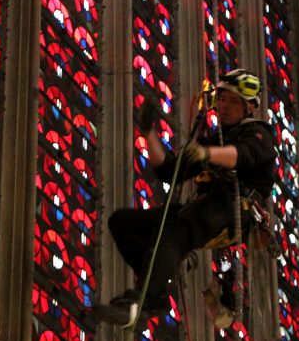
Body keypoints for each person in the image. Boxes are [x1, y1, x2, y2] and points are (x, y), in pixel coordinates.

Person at [95, 69, 276, 327]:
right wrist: (148, 134)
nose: (224, 105)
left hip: (233, 209)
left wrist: (206, 154)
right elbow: (171, 170)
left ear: (249, 108)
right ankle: (152, 286)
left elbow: (242, 155)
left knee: (177, 231)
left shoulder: (259, 134)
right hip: (203, 208)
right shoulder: (213, 141)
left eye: (233, 101)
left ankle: (145, 301)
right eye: (222, 99)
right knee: (122, 222)